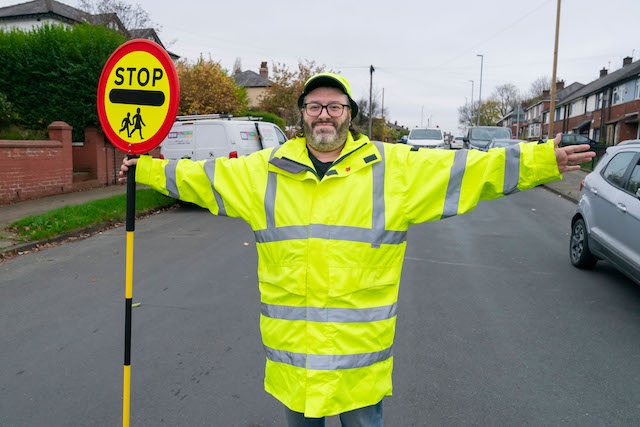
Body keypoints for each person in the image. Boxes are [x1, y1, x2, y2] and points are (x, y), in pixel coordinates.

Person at [119, 72, 595, 426]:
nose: (324, 114)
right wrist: (144, 169)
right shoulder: (262, 171)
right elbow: (198, 177)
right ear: (300, 114)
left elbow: (470, 171)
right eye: (314, 106)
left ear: (349, 114)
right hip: (295, 358)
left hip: (359, 360)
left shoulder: (393, 170)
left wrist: (538, 161)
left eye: (334, 106)